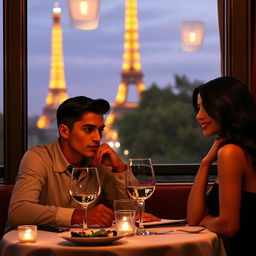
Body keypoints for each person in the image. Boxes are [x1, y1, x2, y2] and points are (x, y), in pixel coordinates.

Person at [7, 96, 158, 230]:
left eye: (100, 130)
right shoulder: (37, 158)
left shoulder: (100, 162)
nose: (97, 138)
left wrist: (119, 168)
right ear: (64, 131)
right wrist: (77, 216)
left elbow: (131, 212)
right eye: (88, 129)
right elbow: (18, 211)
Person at [186, 76, 256, 256]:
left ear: (226, 107)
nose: (198, 115)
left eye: (205, 108)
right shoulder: (237, 150)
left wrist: (205, 220)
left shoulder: (230, 153)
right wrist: (205, 163)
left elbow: (228, 226)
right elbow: (193, 217)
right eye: (198, 107)